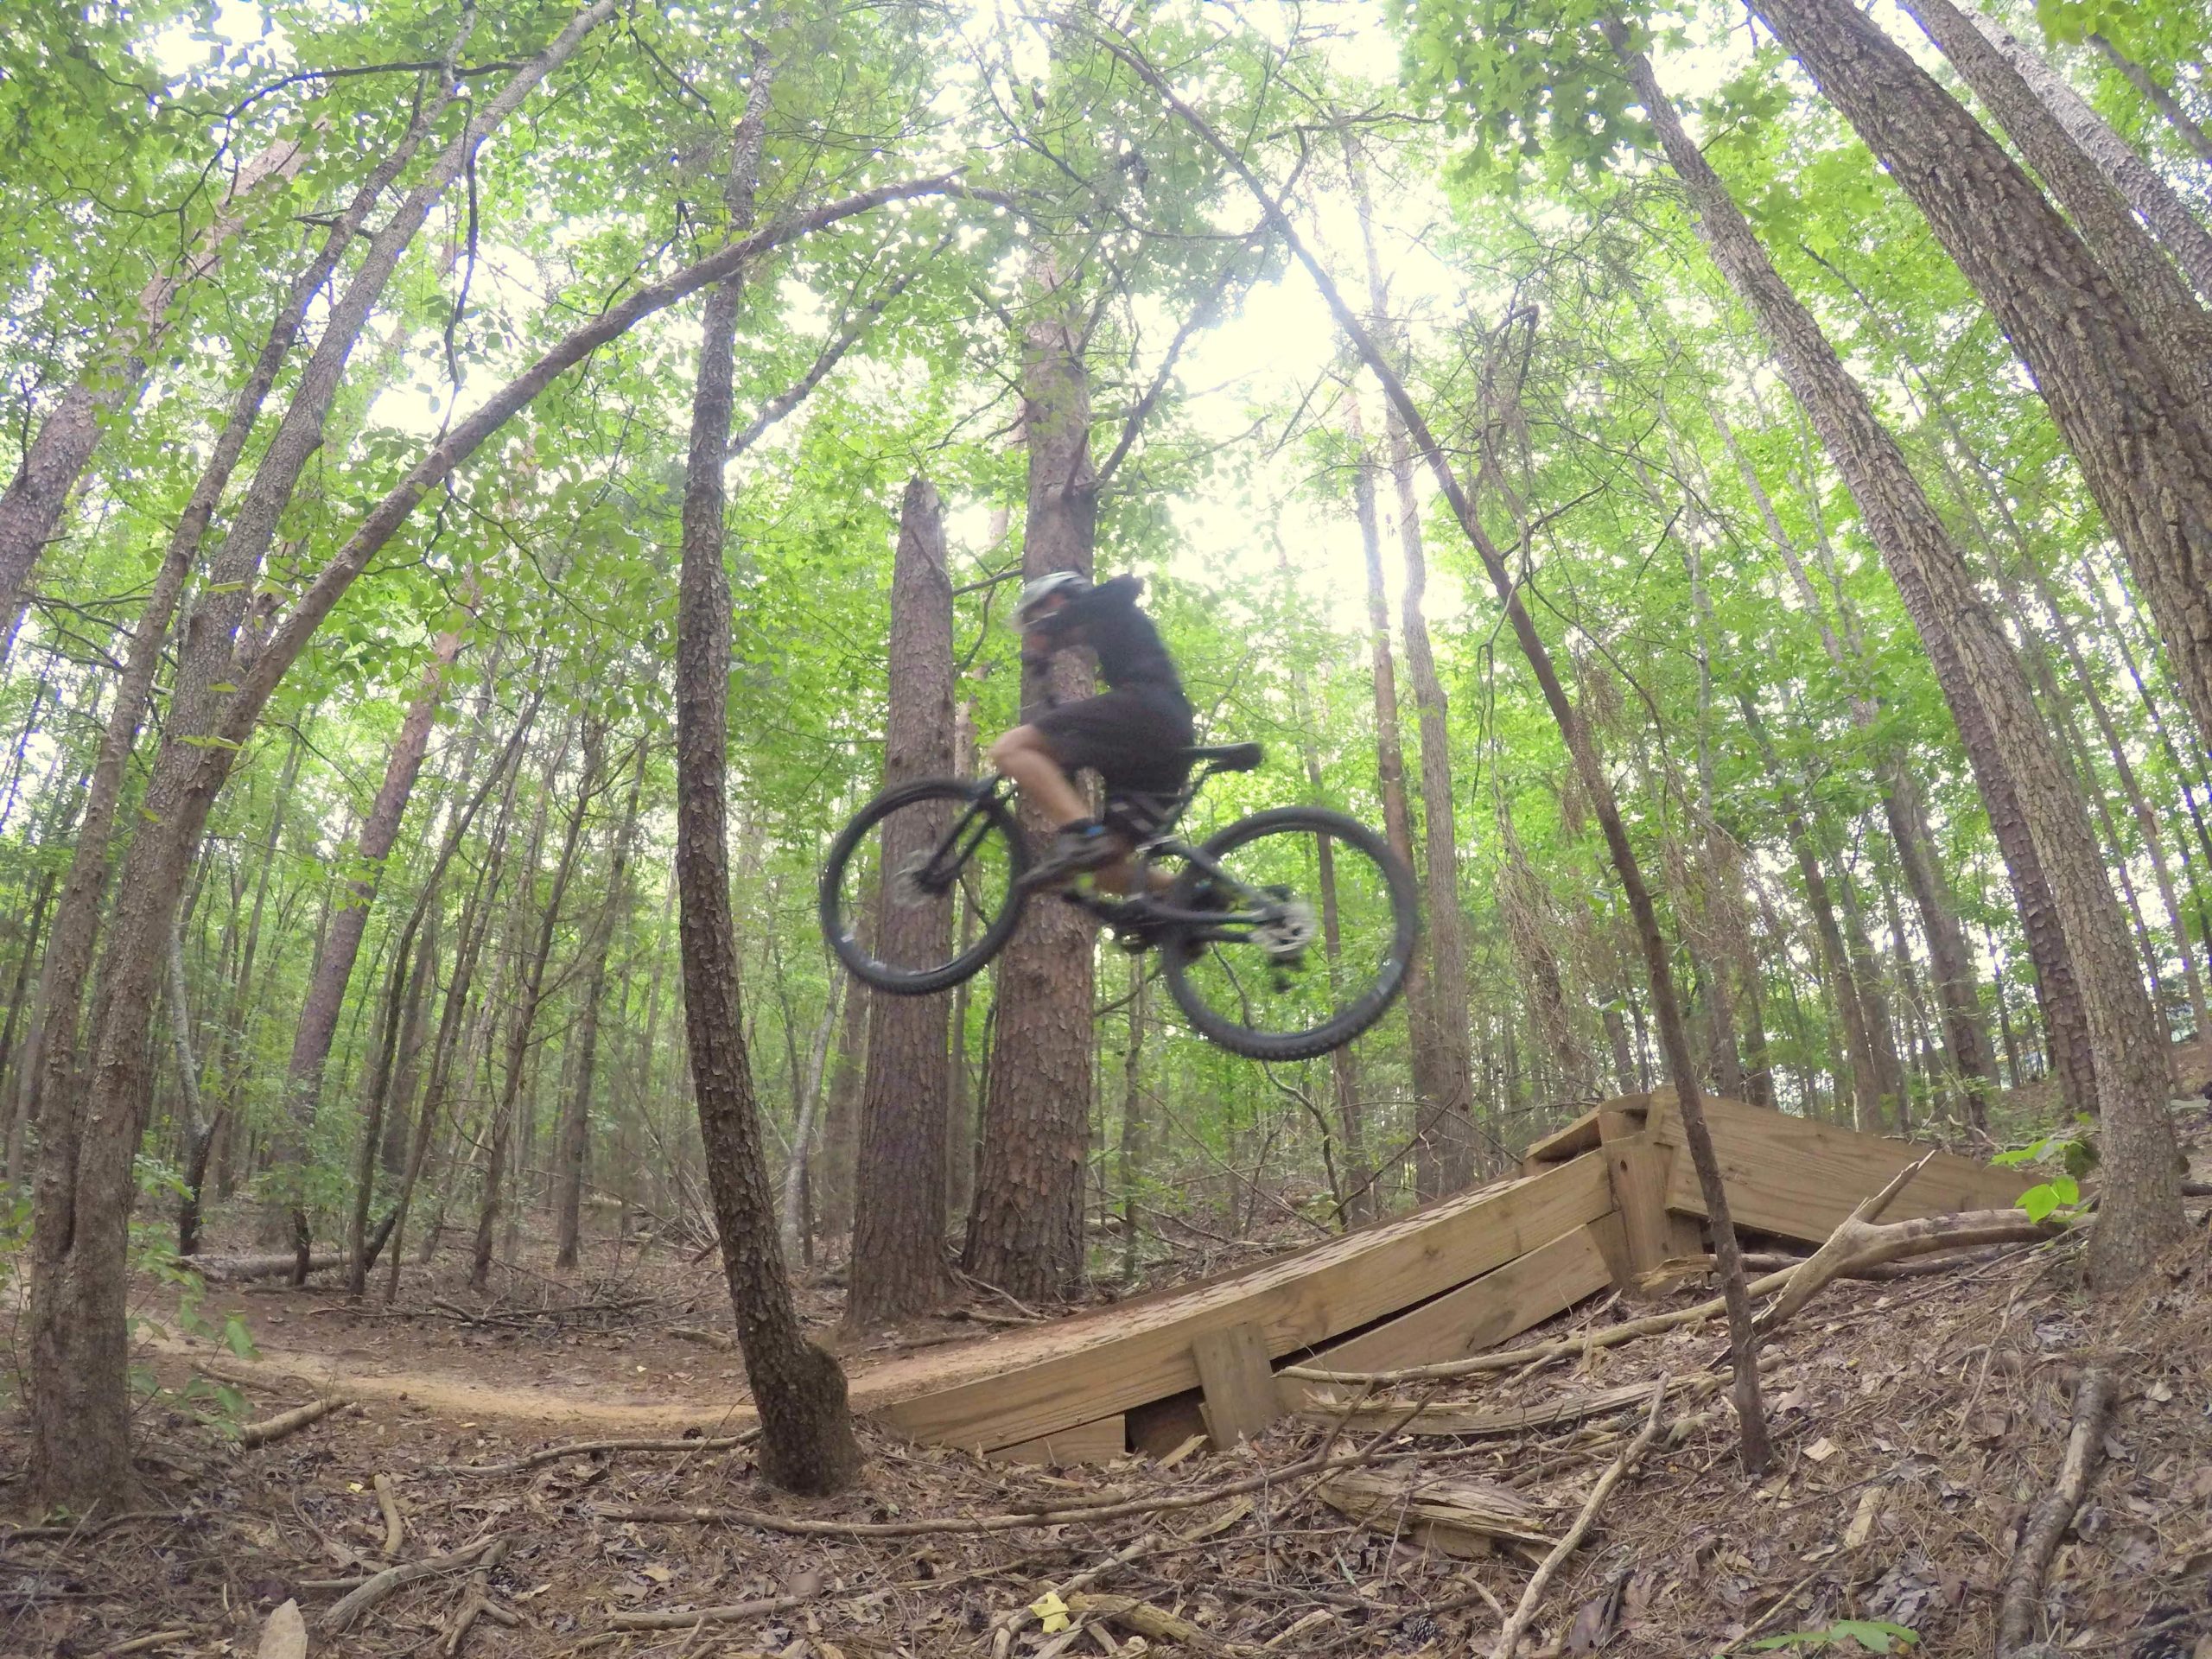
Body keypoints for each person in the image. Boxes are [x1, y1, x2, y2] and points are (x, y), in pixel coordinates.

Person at [989, 570, 1194, 892]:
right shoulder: (1104, 629)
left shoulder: (1109, 603)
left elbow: (1125, 588)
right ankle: (1195, 896)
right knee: (1104, 872)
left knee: (1009, 749)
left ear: (1057, 598)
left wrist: (1049, 625)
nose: (1036, 629)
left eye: (1035, 618)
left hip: (1150, 710)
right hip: (1160, 750)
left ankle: (1082, 835)